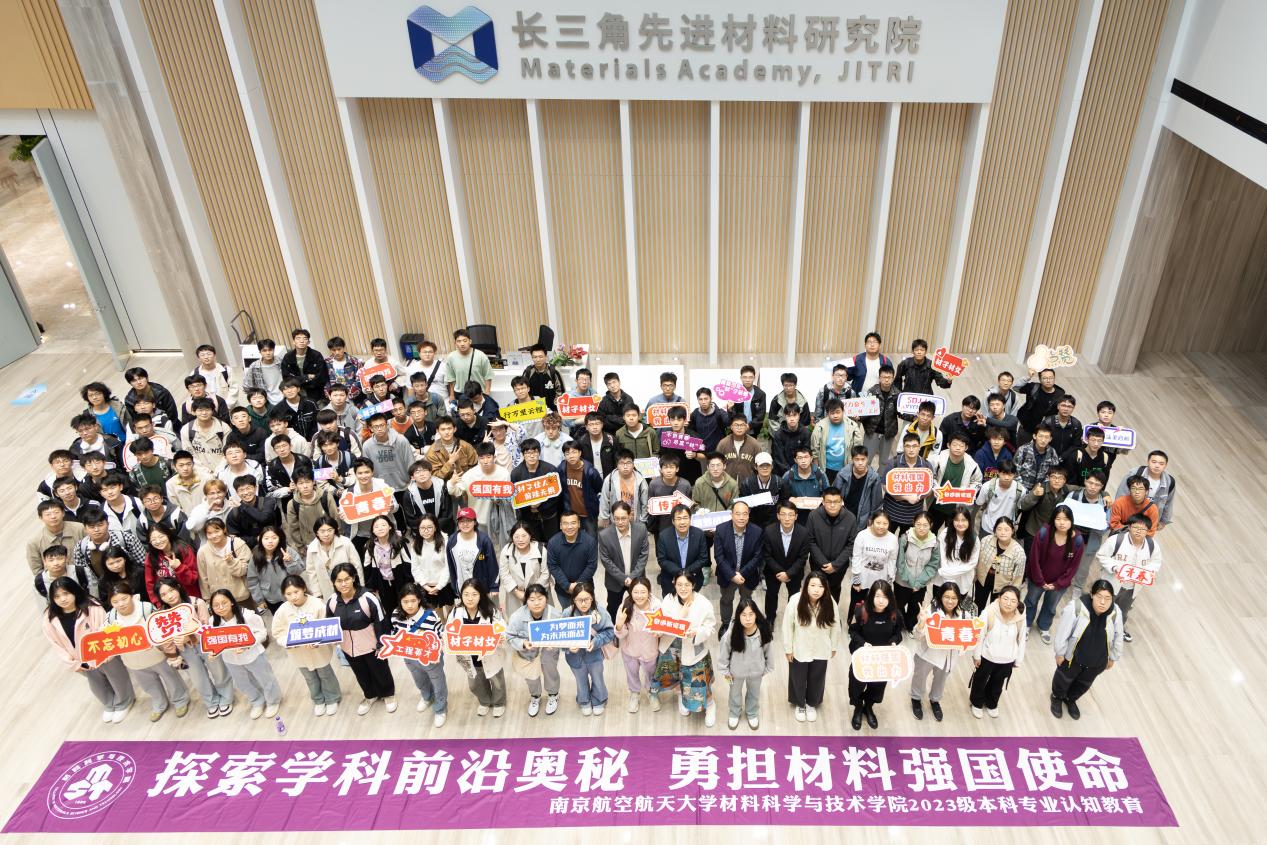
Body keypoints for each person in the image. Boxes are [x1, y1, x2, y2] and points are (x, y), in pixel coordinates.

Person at [43, 576, 135, 723]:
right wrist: (73, 663)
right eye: (57, 596)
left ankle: (125, 701)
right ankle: (109, 703)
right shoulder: (50, 617)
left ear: (74, 592)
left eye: (66, 594)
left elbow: (104, 631)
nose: (62, 599)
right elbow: (55, 644)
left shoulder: (92, 608)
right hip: (81, 659)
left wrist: (103, 655)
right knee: (96, 683)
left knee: (117, 677)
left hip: (103, 654)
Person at [104, 581, 190, 722]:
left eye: (124, 599)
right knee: (148, 685)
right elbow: (109, 640)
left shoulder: (146, 608)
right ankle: (159, 703)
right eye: (115, 602)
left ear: (132, 596)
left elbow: (162, 627)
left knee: (171, 678)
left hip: (156, 654)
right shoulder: (110, 618)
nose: (121, 604)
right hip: (133, 661)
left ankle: (180, 700)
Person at [327, 563, 396, 715]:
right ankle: (370, 695)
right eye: (339, 581)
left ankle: (388, 694)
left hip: (372, 645)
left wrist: (381, 644)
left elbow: (381, 621)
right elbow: (330, 625)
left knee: (380, 671)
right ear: (333, 582)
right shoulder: (332, 601)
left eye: (347, 579)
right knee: (361, 673)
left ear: (354, 578)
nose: (343, 584)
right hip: (348, 648)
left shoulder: (368, 597)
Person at [1050, 580, 1123, 720]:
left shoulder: (1116, 613)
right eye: (1099, 597)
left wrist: (1113, 657)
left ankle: (1070, 699)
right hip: (1073, 658)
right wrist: (1060, 653)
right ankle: (1057, 697)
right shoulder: (1076, 607)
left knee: (1083, 684)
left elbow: (1118, 636)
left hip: (1097, 661)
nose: (1103, 602)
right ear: (1092, 595)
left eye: (1107, 598)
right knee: (1063, 679)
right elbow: (1062, 633)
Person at [273, 574, 341, 717]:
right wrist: (288, 642)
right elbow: (277, 632)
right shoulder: (282, 610)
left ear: (303, 588)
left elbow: (328, 628)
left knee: (325, 674)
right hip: (298, 653)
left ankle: (332, 698)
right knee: (310, 678)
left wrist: (318, 641)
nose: (293, 597)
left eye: (296, 592)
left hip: (319, 651)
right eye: (288, 594)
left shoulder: (318, 605)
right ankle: (318, 700)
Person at [656, 570, 718, 727]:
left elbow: (710, 626)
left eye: (687, 585)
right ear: (674, 584)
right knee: (676, 676)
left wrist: (697, 632)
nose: (683, 588)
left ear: (693, 585)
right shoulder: (668, 600)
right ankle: (681, 696)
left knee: (699, 681)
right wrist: (681, 616)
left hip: (693, 648)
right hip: (672, 646)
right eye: (679, 585)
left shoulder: (703, 603)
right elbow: (664, 623)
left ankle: (710, 705)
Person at [207, 589, 280, 719]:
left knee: (265, 679)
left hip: (253, 655)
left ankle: (273, 701)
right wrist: (213, 652)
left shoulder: (248, 616)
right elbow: (215, 641)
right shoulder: (212, 620)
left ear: (232, 602)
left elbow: (262, 633)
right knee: (243, 683)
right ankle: (257, 701)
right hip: (231, 659)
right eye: (216, 605)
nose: (221, 608)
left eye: (224, 603)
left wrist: (247, 645)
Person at [782, 571, 841, 723]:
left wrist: (834, 646)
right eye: (813, 585)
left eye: (820, 586)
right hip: (799, 647)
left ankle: (811, 703)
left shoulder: (830, 602)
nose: (816, 590)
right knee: (798, 676)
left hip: (821, 647)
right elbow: (787, 627)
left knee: (817, 677)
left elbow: (835, 626)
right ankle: (800, 703)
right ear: (806, 586)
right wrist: (788, 649)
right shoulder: (795, 601)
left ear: (825, 588)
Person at [1093, 513, 1162, 643]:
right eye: (1135, 527)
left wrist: (1148, 571)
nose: (1139, 531)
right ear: (1129, 527)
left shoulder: (1152, 546)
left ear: (1148, 530)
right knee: (1103, 607)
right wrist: (1114, 567)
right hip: (1111, 584)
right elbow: (1101, 555)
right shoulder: (1116, 540)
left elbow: (1156, 562)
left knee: (1123, 611)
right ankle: (1096, 630)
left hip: (1132, 588)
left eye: (1143, 529)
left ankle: (1119, 630)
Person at [389, 583, 448, 726]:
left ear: (419, 600)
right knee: (419, 680)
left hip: (430, 658)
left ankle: (440, 709)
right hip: (410, 656)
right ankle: (427, 697)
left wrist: (437, 649)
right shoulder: (396, 614)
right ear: (400, 601)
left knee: (438, 683)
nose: (409, 605)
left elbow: (441, 635)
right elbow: (395, 632)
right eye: (405, 601)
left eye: (413, 601)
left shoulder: (431, 615)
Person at [1024, 504, 1084, 643]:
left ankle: (1044, 626)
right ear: (1053, 519)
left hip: (1059, 583)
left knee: (1051, 606)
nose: (1062, 523)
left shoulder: (1078, 541)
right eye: (1058, 519)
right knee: (1031, 601)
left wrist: (1058, 584)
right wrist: (1040, 580)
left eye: (1066, 519)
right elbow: (1034, 558)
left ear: (1071, 521)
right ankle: (1026, 624)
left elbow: (1073, 567)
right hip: (1038, 579)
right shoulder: (1044, 533)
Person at [847, 580, 902, 730]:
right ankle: (858, 708)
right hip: (863, 658)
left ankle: (868, 707)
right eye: (877, 596)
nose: (881, 601)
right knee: (856, 685)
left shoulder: (894, 614)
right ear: (871, 596)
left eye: (885, 597)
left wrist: (893, 642)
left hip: (882, 661)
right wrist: (863, 643)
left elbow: (898, 634)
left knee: (877, 688)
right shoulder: (861, 611)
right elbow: (853, 631)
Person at [504, 582, 563, 717]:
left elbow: (562, 637)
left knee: (550, 672)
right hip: (528, 654)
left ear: (546, 598)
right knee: (531, 678)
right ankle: (535, 696)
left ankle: (553, 695)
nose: (536, 603)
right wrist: (523, 643)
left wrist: (555, 643)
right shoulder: (517, 617)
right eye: (532, 599)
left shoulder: (555, 615)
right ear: (526, 601)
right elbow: (509, 637)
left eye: (540, 598)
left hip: (548, 652)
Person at [452, 578, 508, 717]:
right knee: (475, 684)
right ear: (461, 595)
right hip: (469, 658)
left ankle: (499, 703)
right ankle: (484, 701)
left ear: (481, 595)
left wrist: (501, 636)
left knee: (497, 682)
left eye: (474, 594)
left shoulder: (490, 611)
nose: (470, 598)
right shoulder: (456, 613)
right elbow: (450, 632)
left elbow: (502, 628)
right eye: (466, 594)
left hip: (490, 656)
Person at [968, 585, 1026, 718]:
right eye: (1005, 599)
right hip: (987, 656)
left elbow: (1022, 639)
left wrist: (1018, 659)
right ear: (999, 598)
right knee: (980, 680)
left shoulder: (1021, 618)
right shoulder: (988, 612)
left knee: (998, 683)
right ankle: (976, 702)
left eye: (1013, 601)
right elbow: (979, 635)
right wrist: (976, 656)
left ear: (1017, 603)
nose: (1008, 603)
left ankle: (991, 703)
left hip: (1007, 659)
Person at [909, 582, 964, 722]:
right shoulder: (930, 611)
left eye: (954, 598)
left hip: (948, 656)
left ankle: (935, 700)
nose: (950, 601)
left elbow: (965, 635)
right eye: (947, 597)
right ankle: (916, 698)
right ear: (940, 596)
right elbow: (917, 636)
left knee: (941, 680)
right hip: (927, 654)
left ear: (959, 598)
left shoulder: (962, 614)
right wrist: (922, 622)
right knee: (920, 677)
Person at [717, 598, 773, 730]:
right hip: (735, 672)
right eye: (744, 615)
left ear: (756, 615)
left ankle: (752, 712)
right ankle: (734, 712)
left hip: (756, 672)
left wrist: (766, 668)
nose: (748, 619)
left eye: (751, 614)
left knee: (754, 693)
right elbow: (724, 653)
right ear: (738, 616)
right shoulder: (731, 633)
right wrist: (725, 671)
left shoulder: (763, 632)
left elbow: (769, 651)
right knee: (734, 693)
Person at [561, 581, 615, 716]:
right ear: (574, 600)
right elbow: (560, 637)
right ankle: (584, 700)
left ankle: (599, 699)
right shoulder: (567, 613)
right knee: (580, 679)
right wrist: (568, 647)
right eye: (579, 600)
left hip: (595, 655)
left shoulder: (600, 611)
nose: (583, 603)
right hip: (574, 657)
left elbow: (610, 632)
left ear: (592, 598)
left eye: (587, 599)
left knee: (597, 678)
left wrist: (596, 642)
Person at [449, 442, 514, 547]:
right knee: (480, 549)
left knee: (497, 550)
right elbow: (457, 491)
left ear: (494, 457)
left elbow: (508, 498)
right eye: (482, 458)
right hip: (478, 520)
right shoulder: (470, 475)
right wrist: (452, 483)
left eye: (488, 457)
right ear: (478, 459)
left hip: (498, 521)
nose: (485, 461)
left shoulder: (504, 474)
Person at [714, 501, 764, 631]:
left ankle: (744, 623)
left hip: (748, 575)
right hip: (727, 575)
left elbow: (757, 557)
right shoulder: (721, 530)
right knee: (726, 600)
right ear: (731, 514)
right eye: (738, 514)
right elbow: (719, 557)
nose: (741, 517)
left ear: (748, 515)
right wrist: (732, 575)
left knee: (746, 600)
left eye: (745, 514)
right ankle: (726, 624)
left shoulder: (757, 532)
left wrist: (741, 574)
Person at [614, 576, 661, 713]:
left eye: (643, 592)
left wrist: (659, 632)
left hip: (650, 650)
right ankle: (634, 694)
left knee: (652, 674)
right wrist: (619, 625)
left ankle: (652, 692)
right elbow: (621, 634)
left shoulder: (657, 607)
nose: (639, 596)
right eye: (636, 592)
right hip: (630, 650)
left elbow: (662, 629)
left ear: (649, 592)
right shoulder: (625, 607)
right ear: (630, 592)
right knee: (632, 674)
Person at [597, 501, 649, 620]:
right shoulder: (604, 535)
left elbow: (643, 556)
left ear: (630, 515)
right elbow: (606, 560)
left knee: (640, 608)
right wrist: (623, 578)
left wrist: (632, 576)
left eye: (623, 518)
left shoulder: (641, 530)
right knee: (613, 609)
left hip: (637, 579)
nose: (620, 522)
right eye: (616, 518)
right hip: (614, 581)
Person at [762, 500, 810, 626]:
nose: (787, 518)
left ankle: (791, 618)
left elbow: (803, 558)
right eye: (783, 514)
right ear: (778, 516)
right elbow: (767, 555)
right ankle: (770, 618)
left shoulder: (804, 533)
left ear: (796, 516)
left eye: (790, 515)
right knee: (771, 594)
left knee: (794, 596)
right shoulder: (769, 531)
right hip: (773, 571)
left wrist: (789, 574)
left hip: (794, 572)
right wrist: (780, 572)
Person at [807, 488, 857, 602]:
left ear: (841, 502)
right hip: (818, 564)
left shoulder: (850, 518)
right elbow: (810, 541)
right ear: (823, 502)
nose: (832, 505)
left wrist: (835, 565)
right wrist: (824, 563)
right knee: (816, 590)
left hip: (839, 566)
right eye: (829, 502)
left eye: (836, 502)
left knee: (834, 590)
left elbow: (851, 544)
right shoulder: (813, 516)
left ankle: (833, 611)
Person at [893, 512, 939, 633]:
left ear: (931, 525)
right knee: (898, 605)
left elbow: (932, 565)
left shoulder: (935, 543)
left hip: (921, 583)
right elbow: (900, 562)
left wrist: (918, 583)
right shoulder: (905, 538)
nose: (921, 528)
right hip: (902, 581)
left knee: (915, 607)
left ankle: (910, 627)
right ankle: (898, 626)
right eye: (918, 524)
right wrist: (911, 581)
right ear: (913, 523)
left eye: (925, 525)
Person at [927, 434, 982, 533]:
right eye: (955, 444)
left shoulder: (972, 465)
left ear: (966, 448)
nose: (958, 448)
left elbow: (977, 481)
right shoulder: (938, 460)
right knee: (930, 532)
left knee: (952, 535)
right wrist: (935, 488)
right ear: (948, 445)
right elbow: (930, 476)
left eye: (961, 446)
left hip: (957, 508)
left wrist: (969, 491)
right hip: (936, 505)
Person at [510, 439, 562, 543]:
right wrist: (529, 505)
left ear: (539, 453)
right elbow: (515, 498)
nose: (532, 456)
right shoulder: (516, 473)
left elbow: (557, 494)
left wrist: (541, 503)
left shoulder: (550, 470)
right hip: (527, 517)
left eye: (534, 452)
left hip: (549, 515)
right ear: (523, 455)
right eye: (528, 453)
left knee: (552, 542)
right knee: (533, 543)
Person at [850, 510, 898, 618]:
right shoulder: (862, 535)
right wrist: (856, 580)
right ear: (872, 522)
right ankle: (852, 624)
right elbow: (856, 557)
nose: (881, 526)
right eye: (878, 522)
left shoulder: (893, 539)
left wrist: (889, 582)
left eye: (885, 523)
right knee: (856, 606)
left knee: (876, 608)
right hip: (862, 579)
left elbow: (892, 560)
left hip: (881, 581)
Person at [499, 521, 553, 619]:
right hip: (516, 595)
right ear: (512, 537)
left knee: (542, 620)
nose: (520, 540)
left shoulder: (540, 549)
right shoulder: (506, 551)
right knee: (518, 621)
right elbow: (504, 574)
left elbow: (545, 573)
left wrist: (534, 593)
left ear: (530, 535)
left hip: (539, 593)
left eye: (524, 536)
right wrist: (516, 592)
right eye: (516, 536)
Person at [880, 433, 933, 532]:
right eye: (908, 446)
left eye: (914, 446)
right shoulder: (893, 463)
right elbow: (885, 486)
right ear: (903, 447)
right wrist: (906, 497)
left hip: (913, 515)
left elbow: (929, 489)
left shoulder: (926, 466)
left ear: (919, 447)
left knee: (906, 540)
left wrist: (918, 497)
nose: (911, 449)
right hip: (891, 513)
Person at [361, 514, 412, 617]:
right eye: (376, 526)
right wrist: (370, 587)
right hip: (382, 582)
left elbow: (408, 562)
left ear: (390, 527)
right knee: (388, 609)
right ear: (373, 530)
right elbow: (367, 567)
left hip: (399, 579)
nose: (380, 528)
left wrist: (409, 581)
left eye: (383, 525)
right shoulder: (370, 545)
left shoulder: (399, 542)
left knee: (405, 606)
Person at [246, 525, 304, 615]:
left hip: (292, 594)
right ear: (260, 540)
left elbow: (299, 571)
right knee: (280, 618)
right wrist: (259, 600)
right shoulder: (256, 556)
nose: (270, 541)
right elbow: (252, 580)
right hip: (271, 597)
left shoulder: (287, 551)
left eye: (274, 538)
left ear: (279, 539)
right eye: (266, 538)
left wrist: (290, 562)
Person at [545, 511, 598, 608]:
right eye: (565, 523)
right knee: (568, 614)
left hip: (585, 589)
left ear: (579, 524)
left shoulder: (590, 542)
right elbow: (553, 565)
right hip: (563, 590)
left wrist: (578, 585)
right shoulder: (553, 542)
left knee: (587, 614)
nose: (569, 527)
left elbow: (592, 565)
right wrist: (567, 585)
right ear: (560, 526)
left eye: (573, 523)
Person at [1115, 450, 1177, 531]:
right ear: (1148, 461)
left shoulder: (1169, 481)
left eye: (1161, 464)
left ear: (1165, 465)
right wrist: (1117, 515)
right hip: (1127, 518)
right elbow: (1121, 494)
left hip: (1148, 523)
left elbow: (1168, 503)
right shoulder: (1135, 473)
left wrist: (1163, 521)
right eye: (1154, 462)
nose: (1157, 466)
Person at [445, 507, 499, 598]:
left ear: (475, 522)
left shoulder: (483, 540)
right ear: (458, 523)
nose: (465, 524)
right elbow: (451, 565)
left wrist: (494, 587)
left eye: (469, 521)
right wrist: (455, 586)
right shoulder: (452, 541)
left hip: (482, 589)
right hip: (462, 589)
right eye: (462, 521)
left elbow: (492, 564)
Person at [974, 516, 1026, 610]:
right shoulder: (986, 540)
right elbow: (977, 560)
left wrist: (1012, 594)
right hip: (982, 581)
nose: (1003, 532)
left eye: (1006, 529)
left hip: (1002, 587)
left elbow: (1018, 577)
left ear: (1012, 531)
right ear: (995, 530)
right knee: (978, 605)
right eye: (999, 529)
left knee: (996, 609)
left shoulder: (1019, 552)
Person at [656, 504, 709, 594]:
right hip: (670, 581)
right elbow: (662, 560)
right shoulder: (663, 536)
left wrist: (687, 572)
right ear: (673, 521)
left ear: (690, 519)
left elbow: (703, 558)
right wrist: (680, 572)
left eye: (685, 518)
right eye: (679, 518)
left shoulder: (699, 534)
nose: (682, 522)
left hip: (693, 580)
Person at [303, 516, 360, 600]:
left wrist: (360, 587)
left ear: (335, 530)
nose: (326, 534)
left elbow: (357, 566)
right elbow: (311, 573)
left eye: (330, 530)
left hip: (347, 586)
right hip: (326, 589)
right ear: (317, 533)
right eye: (322, 531)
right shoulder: (312, 548)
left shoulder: (345, 543)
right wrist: (317, 594)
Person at [196, 518, 252, 604]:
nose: (214, 535)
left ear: (224, 529)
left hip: (241, 596)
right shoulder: (203, 551)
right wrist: (208, 599)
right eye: (209, 533)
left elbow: (245, 570)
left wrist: (231, 561)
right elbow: (203, 578)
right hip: (219, 599)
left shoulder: (238, 544)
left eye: (217, 531)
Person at [143, 523, 199, 606]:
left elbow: (192, 579)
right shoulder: (151, 557)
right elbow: (150, 584)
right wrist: (159, 604)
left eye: (161, 536)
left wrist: (179, 567)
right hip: (168, 603)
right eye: (153, 539)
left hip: (189, 599)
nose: (158, 541)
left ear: (168, 534)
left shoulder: (184, 550)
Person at [27, 499, 86, 577]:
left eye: (56, 512)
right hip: (57, 581)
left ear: (63, 513)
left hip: (84, 574)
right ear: (41, 517)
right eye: (48, 514)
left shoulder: (80, 528)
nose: (53, 517)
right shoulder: (34, 542)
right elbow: (37, 570)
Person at [812, 399, 864, 485]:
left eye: (838, 412)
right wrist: (816, 469)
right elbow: (815, 450)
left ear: (843, 411)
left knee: (843, 490)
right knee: (827, 489)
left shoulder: (852, 426)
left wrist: (855, 466)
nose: (835, 416)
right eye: (832, 413)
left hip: (846, 467)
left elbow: (858, 448)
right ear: (827, 413)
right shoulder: (820, 427)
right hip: (826, 468)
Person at [932, 507, 979, 601]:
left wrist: (949, 574)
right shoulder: (945, 533)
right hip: (943, 579)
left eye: (964, 520)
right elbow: (942, 558)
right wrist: (947, 577)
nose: (960, 523)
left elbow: (972, 563)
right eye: (957, 520)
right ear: (952, 521)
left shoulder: (974, 539)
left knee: (956, 606)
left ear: (969, 521)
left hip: (962, 580)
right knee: (938, 604)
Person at [410, 514, 453, 609]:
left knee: (450, 609)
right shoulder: (415, 545)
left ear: (435, 528)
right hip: (426, 586)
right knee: (434, 611)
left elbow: (448, 566)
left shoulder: (445, 542)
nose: (426, 531)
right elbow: (415, 568)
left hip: (445, 584)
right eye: (422, 528)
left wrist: (439, 586)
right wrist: (425, 586)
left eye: (429, 527)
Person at [1016, 465, 1071, 539]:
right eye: (1053, 477)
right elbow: (1024, 506)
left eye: (1060, 478)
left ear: (1064, 481)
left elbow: (1081, 489)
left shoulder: (1066, 489)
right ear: (1048, 478)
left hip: (1051, 532)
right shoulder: (1040, 487)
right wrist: (1034, 494)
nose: (1057, 481)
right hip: (1034, 530)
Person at [561, 440, 603, 535]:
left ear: (580, 453)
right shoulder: (562, 468)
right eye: (567, 453)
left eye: (574, 452)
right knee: (574, 538)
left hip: (588, 513)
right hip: (571, 514)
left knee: (591, 538)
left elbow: (599, 488)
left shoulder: (590, 471)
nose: (571, 456)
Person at [862, 364, 901, 466]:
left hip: (888, 432)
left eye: (889, 377)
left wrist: (913, 416)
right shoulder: (872, 392)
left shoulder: (897, 394)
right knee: (866, 459)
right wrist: (858, 417)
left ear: (893, 378)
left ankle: (881, 477)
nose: (886, 380)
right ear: (879, 378)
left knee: (884, 461)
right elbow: (864, 410)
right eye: (884, 377)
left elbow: (902, 413)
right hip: (872, 430)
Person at [599, 450, 650, 527]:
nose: (625, 467)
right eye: (621, 463)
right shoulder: (610, 479)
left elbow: (645, 503)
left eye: (628, 463)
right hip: (616, 521)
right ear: (617, 465)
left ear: (633, 464)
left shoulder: (641, 480)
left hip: (635, 521)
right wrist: (605, 517)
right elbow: (604, 500)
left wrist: (643, 520)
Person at [280, 328, 329, 403]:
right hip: (296, 395)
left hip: (316, 394)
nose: (301, 341)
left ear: (308, 342)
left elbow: (321, 377)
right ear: (293, 341)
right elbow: (287, 378)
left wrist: (300, 382)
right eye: (298, 338)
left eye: (305, 338)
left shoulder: (316, 355)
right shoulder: (288, 357)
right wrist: (307, 377)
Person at [838, 446, 884, 523]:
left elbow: (876, 502)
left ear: (867, 459)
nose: (860, 463)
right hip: (844, 514)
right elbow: (835, 494)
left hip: (863, 517)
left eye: (863, 459)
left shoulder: (874, 478)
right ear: (852, 459)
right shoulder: (842, 474)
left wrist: (872, 518)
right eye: (857, 459)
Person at [444, 329, 492, 402]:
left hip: (477, 393)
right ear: (455, 343)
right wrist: (452, 395)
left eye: (465, 340)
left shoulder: (481, 356)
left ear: (470, 341)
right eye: (459, 341)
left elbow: (488, 376)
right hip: (460, 393)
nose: (462, 344)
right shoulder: (451, 357)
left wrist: (487, 393)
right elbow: (451, 378)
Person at [1016, 367, 1065, 438]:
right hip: (1026, 427)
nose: (1048, 380)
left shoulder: (1060, 394)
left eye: (1051, 378)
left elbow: (1060, 413)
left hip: (1045, 431)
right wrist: (1028, 377)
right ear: (1040, 379)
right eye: (1045, 378)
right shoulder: (1034, 387)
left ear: (1054, 378)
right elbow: (1016, 388)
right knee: (1021, 444)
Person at [425, 416, 478, 481]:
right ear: (437, 431)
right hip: (444, 484)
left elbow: (475, 468)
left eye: (449, 428)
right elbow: (435, 476)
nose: (447, 432)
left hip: (466, 481)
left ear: (454, 429)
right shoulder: (432, 451)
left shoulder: (466, 446)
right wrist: (450, 462)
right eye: (443, 429)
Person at [975, 459, 1020, 536]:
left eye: (1010, 474)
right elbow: (979, 503)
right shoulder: (987, 487)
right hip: (987, 527)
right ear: (998, 472)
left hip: (1007, 529)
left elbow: (1020, 507)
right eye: (1004, 474)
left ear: (1014, 474)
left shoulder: (1020, 490)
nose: (1006, 477)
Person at [1013, 424, 1060, 491]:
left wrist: (1042, 487)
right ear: (1034, 436)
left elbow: (1053, 474)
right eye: (1040, 436)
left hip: (1041, 489)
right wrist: (1023, 489)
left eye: (1046, 437)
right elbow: (1014, 472)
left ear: (1050, 439)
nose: (1043, 440)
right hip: (1021, 488)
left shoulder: (1052, 452)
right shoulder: (1023, 450)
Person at [770, 404, 811, 478]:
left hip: (801, 470)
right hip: (782, 472)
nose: (792, 419)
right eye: (789, 416)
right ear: (785, 416)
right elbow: (779, 457)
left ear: (799, 416)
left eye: (794, 415)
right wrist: (790, 472)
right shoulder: (778, 434)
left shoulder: (805, 433)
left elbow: (806, 454)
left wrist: (798, 471)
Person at [719, 415, 761, 485]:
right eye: (736, 425)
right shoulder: (723, 444)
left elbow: (760, 466)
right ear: (731, 427)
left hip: (749, 485)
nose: (739, 428)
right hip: (727, 485)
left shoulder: (754, 444)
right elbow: (717, 464)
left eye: (742, 425)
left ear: (746, 427)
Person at [243, 339, 285, 405]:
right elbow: (247, 386)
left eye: (270, 350)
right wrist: (258, 398)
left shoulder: (281, 362)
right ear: (260, 352)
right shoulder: (254, 366)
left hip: (284, 397)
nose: (268, 353)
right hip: (266, 401)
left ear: (274, 350)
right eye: (264, 351)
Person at [690, 387, 730, 453]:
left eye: (706, 399)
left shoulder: (719, 413)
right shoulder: (695, 414)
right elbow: (691, 431)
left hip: (717, 452)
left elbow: (729, 423)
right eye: (700, 399)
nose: (703, 402)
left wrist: (730, 411)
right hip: (701, 453)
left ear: (711, 399)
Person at [578, 412, 617, 477]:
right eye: (591, 424)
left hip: (609, 477)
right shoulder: (581, 442)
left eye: (597, 424)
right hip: (589, 477)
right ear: (586, 427)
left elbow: (617, 460)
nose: (595, 427)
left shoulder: (611, 440)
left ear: (602, 425)